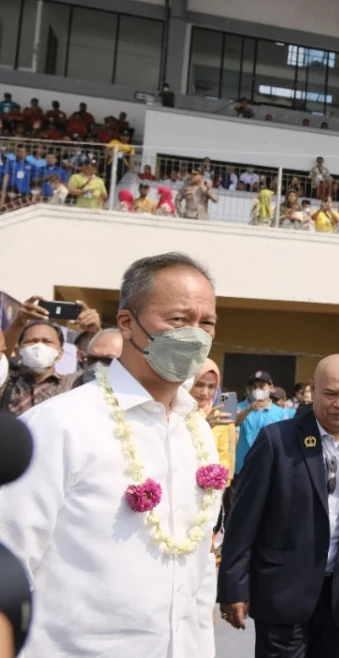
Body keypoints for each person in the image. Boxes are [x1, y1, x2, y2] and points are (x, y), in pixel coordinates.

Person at [0, 252, 222, 657]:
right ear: (126, 324)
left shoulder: (200, 434)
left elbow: (200, 569)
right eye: (177, 320)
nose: (195, 334)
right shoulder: (59, 425)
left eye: (206, 323)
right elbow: (7, 564)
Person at [217, 354, 339, 658]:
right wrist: (233, 586)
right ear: (313, 390)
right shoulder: (276, 441)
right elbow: (244, 521)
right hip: (281, 590)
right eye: (331, 394)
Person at [233, 370, 289, 477]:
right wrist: (249, 409)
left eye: (262, 386)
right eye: (254, 387)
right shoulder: (239, 407)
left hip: (269, 468)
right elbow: (233, 424)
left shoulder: (281, 413)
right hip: (243, 467)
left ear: (271, 387)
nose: (257, 389)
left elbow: (285, 440)